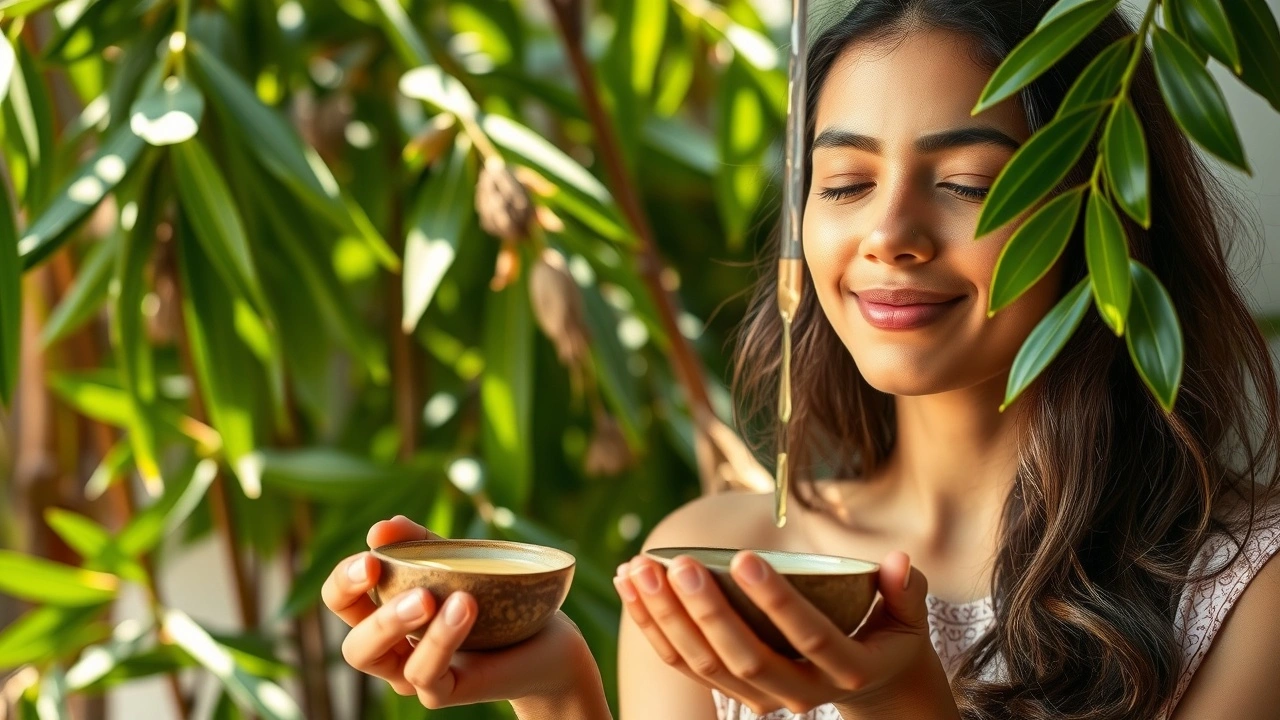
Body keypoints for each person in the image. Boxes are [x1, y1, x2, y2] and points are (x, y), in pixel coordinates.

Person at [322, 0, 1280, 717]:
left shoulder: (1243, 594)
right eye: (847, 182)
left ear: (1103, 215)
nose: (889, 235)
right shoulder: (720, 561)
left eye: (964, 182)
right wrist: (558, 689)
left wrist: (902, 705)